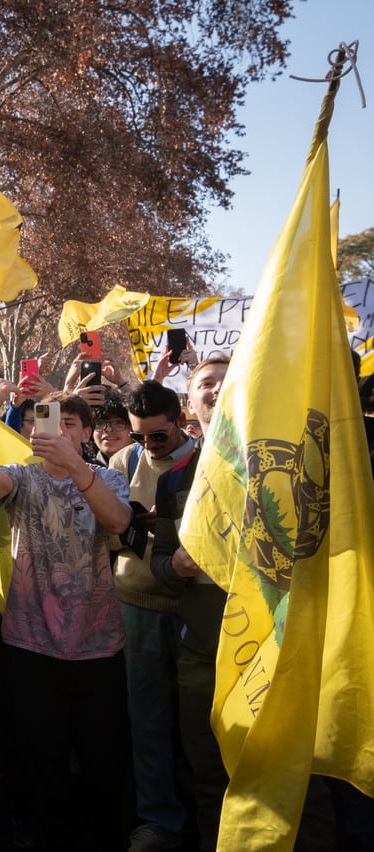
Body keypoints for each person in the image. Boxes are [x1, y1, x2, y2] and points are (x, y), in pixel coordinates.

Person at [151, 354, 337, 850]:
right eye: (204, 383)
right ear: (189, 404)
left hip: (278, 653)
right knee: (211, 779)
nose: (216, 389)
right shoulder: (175, 482)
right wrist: (177, 568)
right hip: (205, 658)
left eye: (226, 380)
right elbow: (162, 562)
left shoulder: (291, 462)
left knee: (297, 780)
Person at [0, 383, 132, 851]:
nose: (58, 431)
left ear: (86, 432)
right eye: (48, 423)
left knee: (101, 754)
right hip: (31, 642)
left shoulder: (108, 479)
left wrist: (75, 468)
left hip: (98, 642)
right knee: (40, 753)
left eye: (69, 424)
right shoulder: (23, 476)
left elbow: (119, 522)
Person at [109, 381, 194, 852]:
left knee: (198, 720)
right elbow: (102, 529)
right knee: (147, 720)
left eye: (157, 437)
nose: (147, 446)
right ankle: (159, 820)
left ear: (180, 420)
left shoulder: (205, 464)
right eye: (138, 436)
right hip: (135, 608)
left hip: (192, 610)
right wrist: (128, 527)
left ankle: (208, 810)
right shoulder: (123, 463)